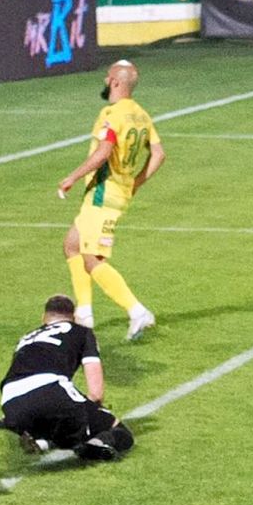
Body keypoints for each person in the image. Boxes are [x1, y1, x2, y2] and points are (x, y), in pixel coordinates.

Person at [58, 59, 165, 340]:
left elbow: (104, 152)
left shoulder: (112, 114)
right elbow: (158, 154)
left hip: (104, 193)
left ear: (116, 82)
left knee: (92, 259)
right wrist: (137, 181)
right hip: (118, 192)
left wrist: (72, 176)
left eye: (108, 78)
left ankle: (137, 311)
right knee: (72, 245)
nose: (106, 82)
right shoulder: (141, 115)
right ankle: (84, 313)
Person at [0, 294, 134, 461]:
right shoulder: (82, 332)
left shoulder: (27, 337)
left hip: (10, 402)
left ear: (44, 318)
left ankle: (40, 439)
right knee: (120, 432)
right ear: (74, 317)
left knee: (58, 416)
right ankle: (93, 444)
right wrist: (94, 411)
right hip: (50, 392)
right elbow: (96, 393)